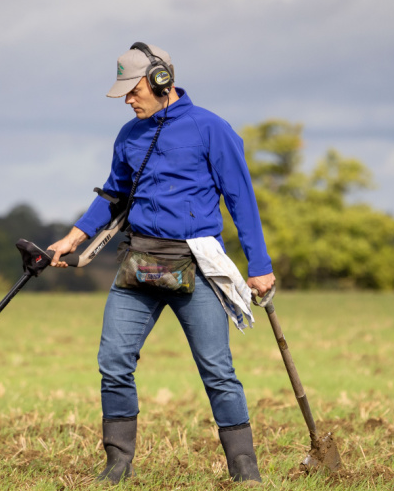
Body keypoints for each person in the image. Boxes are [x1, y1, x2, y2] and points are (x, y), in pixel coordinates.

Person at [47, 42, 275, 485]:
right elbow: (113, 196)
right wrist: (73, 238)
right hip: (138, 265)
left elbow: (241, 199)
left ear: (160, 81)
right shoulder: (129, 135)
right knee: (113, 361)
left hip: (197, 267)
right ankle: (118, 463)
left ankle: (245, 470)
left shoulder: (211, 128)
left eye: (132, 91)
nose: (128, 101)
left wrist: (259, 265)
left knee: (217, 370)